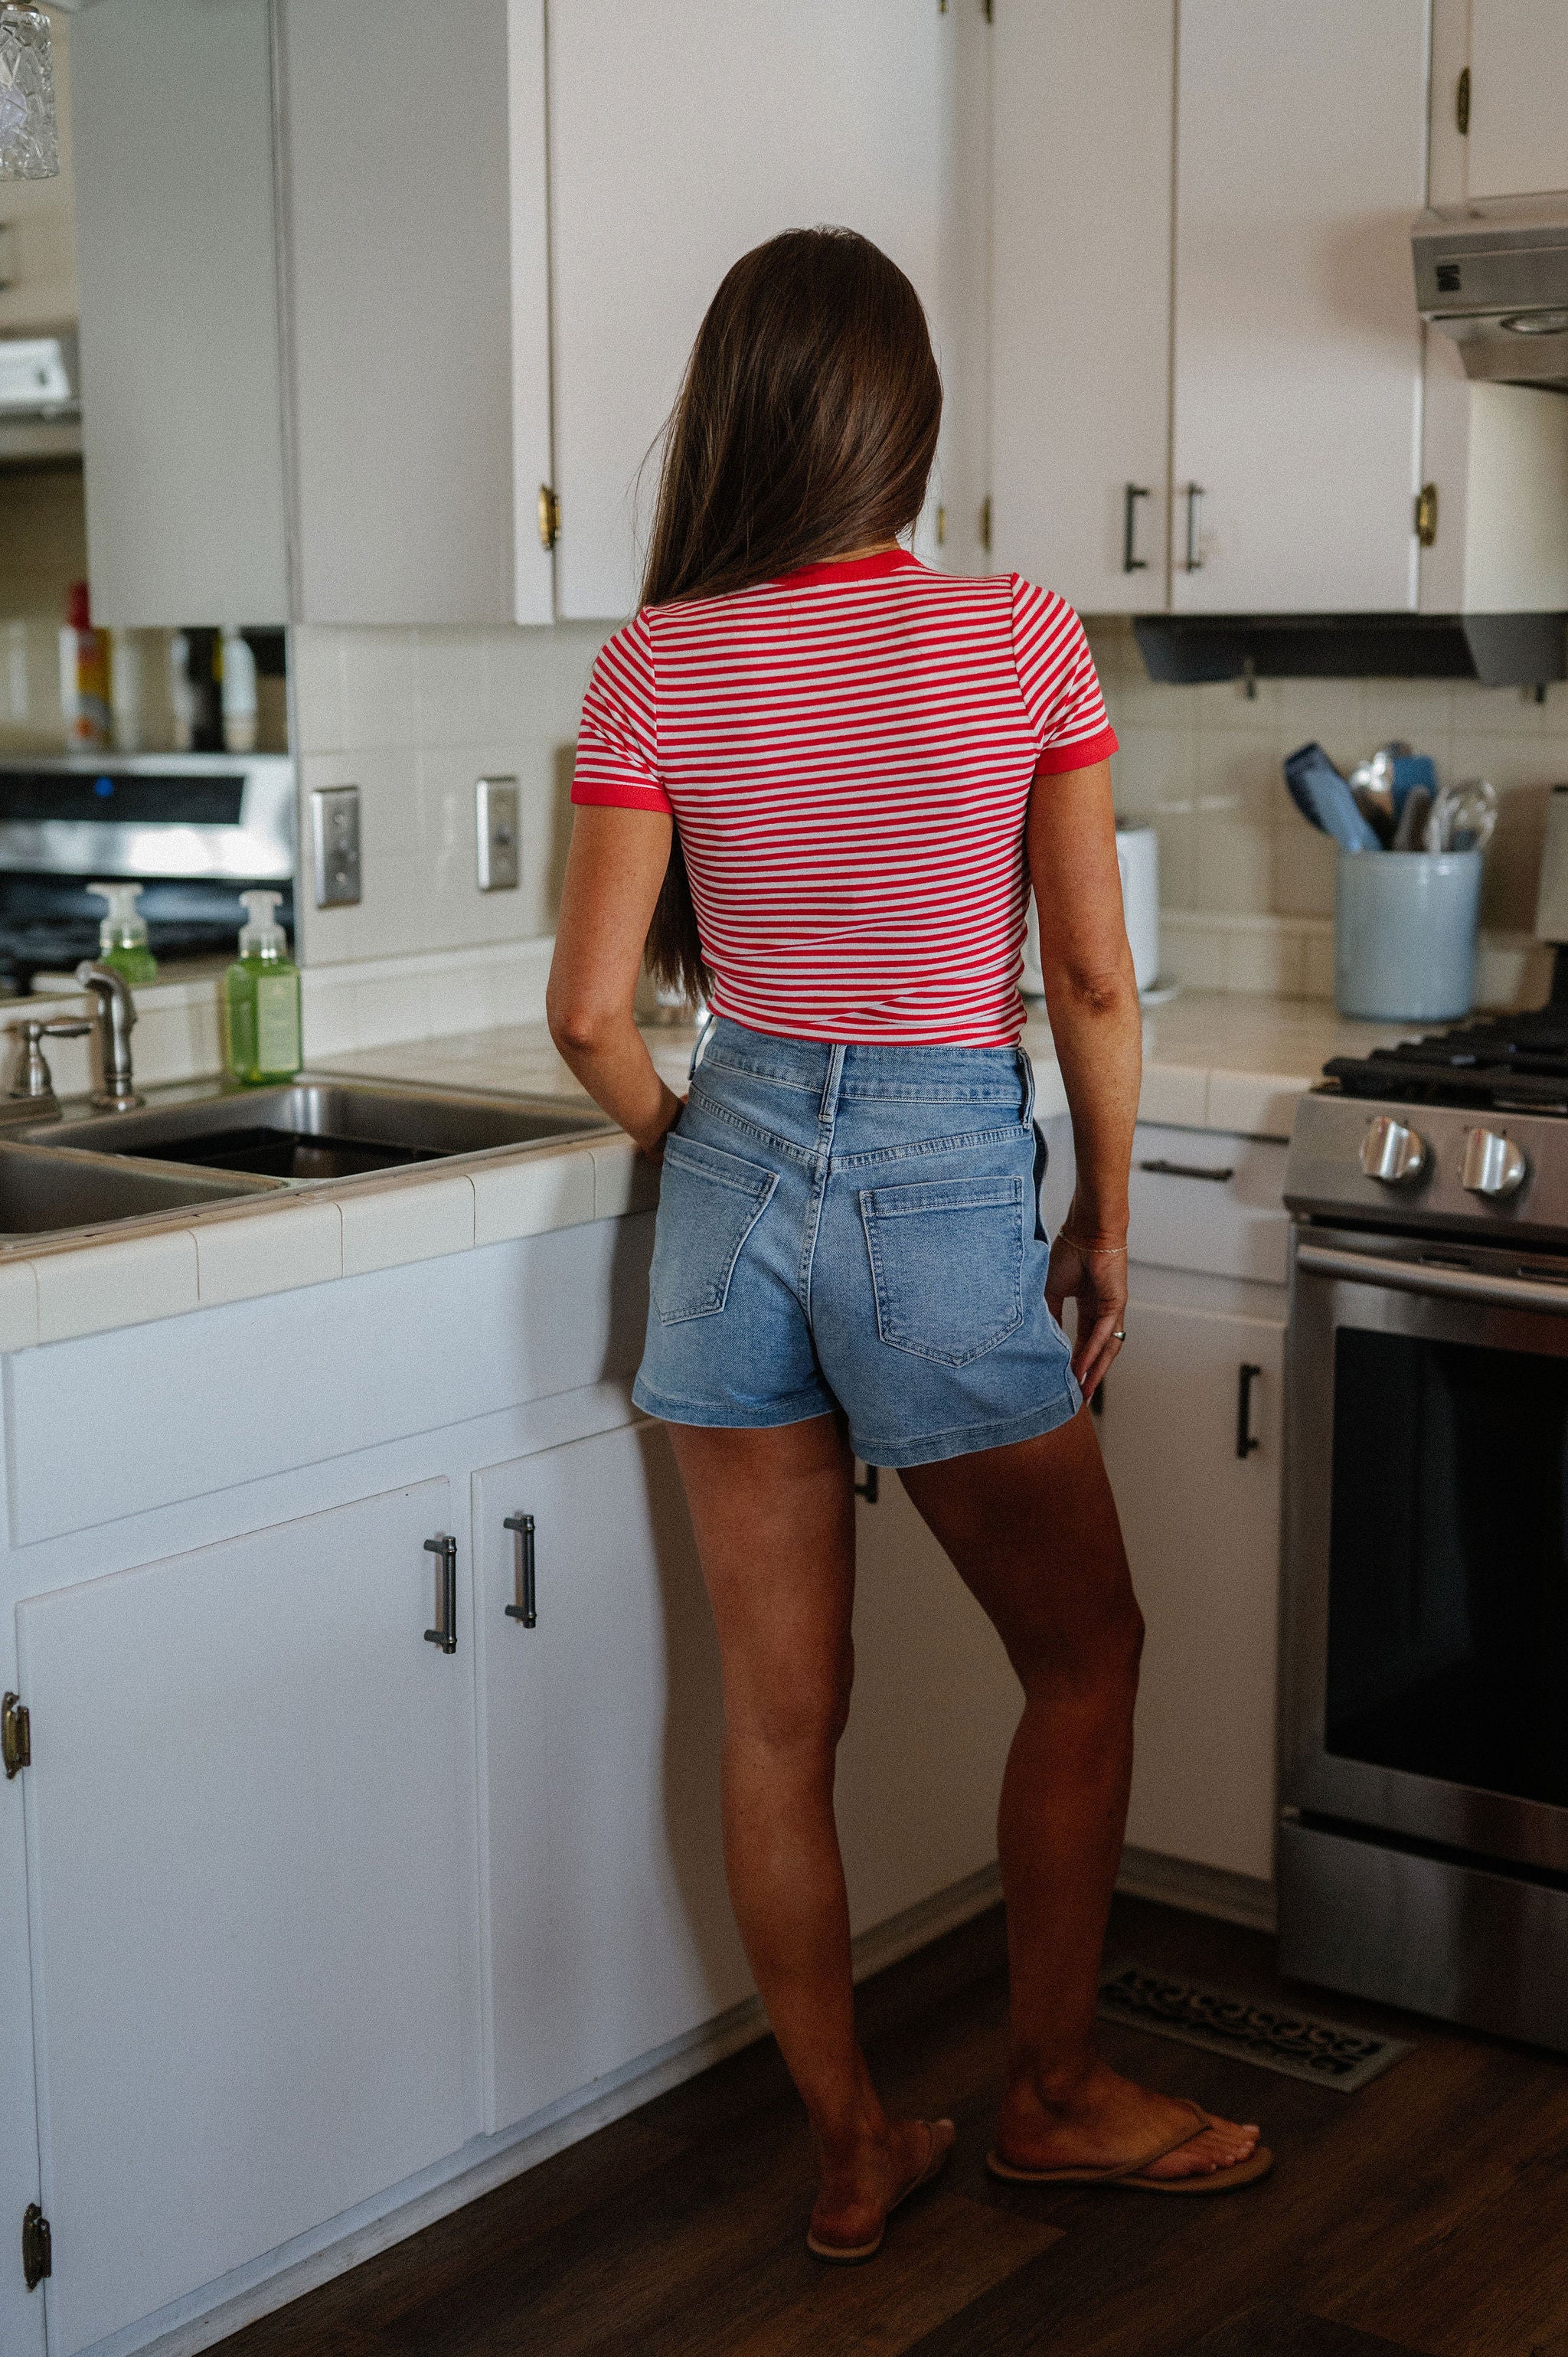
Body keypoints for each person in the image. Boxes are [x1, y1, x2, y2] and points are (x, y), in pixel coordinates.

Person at [547, 226, 1269, 2264]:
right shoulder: (1027, 638)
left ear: (739, 412)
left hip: (737, 1178)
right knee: (1086, 1650)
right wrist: (1106, 1218)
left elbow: (594, 1013)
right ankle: (1048, 2099)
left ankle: (853, 2145)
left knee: (781, 1726)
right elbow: (1096, 984)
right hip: (945, 1182)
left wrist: (714, 1149)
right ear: (907, 417)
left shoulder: (653, 660)